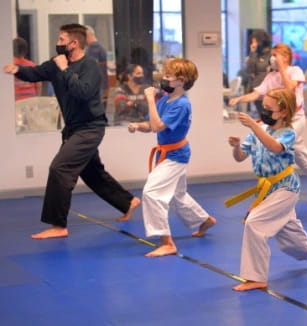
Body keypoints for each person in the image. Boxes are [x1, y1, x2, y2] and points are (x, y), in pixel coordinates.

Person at [3, 23, 140, 239]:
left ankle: (58, 225)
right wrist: (18, 70)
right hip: (73, 129)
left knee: (60, 168)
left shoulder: (90, 67)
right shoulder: (56, 64)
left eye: (61, 40)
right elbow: (35, 72)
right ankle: (128, 202)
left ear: (73, 43)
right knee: (92, 172)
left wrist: (64, 69)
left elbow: (83, 92)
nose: (57, 44)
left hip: (91, 127)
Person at [227, 88, 307, 291]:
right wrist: (236, 146)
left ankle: (257, 277)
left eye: (268, 109)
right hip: (266, 190)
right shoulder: (258, 130)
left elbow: (275, 147)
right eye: (263, 107)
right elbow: (239, 158)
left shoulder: (288, 133)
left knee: (254, 223)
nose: (263, 112)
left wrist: (254, 125)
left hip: (286, 188)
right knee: (291, 237)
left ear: (283, 112)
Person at [127, 58, 217, 257]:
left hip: (175, 155)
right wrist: (138, 126)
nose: (164, 79)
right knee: (179, 195)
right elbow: (152, 125)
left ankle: (167, 242)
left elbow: (159, 126)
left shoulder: (182, 105)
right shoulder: (166, 101)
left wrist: (149, 99)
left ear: (181, 81)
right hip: (167, 152)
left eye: (168, 76)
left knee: (151, 193)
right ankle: (204, 220)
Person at [229, 43, 307, 196]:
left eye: (276, 55)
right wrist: (240, 99)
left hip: (295, 118)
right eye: (272, 56)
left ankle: (283, 181)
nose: (272, 59)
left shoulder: (295, 71)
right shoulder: (271, 76)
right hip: (277, 119)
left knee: (281, 145)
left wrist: (281, 66)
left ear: (286, 57)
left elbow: (289, 88)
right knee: (299, 152)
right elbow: (257, 94)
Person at [245, 30, 272, 113]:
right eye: (252, 42)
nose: (253, 45)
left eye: (255, 42)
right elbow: (250, 71)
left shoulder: (271, 54)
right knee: (261, 114)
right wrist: (252, 53)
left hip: (269, 90)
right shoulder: (255, 55)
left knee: (269, 114)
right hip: (256, 88)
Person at [85, 25, 109, 106]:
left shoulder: (93, 49)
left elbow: (90, 69)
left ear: (88, 35)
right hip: (100, 86)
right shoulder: (101, 48)